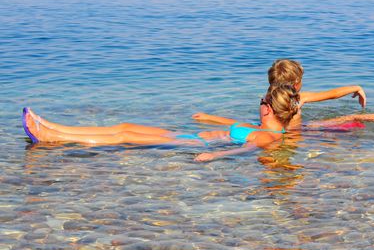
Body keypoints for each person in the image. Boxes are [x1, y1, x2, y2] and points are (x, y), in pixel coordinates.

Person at [22, 84, 300, 162]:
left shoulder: (271, 137)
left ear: (269, 109)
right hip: (187, 133)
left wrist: (215, 155)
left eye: (263, 102)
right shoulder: (267, 127)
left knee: (123, 136)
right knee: (124, 126)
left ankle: (52, 138)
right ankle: (55, 128)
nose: (260, 104)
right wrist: (210, 117)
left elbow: (248, 149)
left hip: (189, 142)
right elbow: (236, 125)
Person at [192, 59, 374, 127]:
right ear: (296, 84)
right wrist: (356, 87)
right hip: (302, 135)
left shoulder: (267, 100)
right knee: (353, 117)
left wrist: (212, 118)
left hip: (282, 138)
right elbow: (332, 94)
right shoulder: (298, 98)